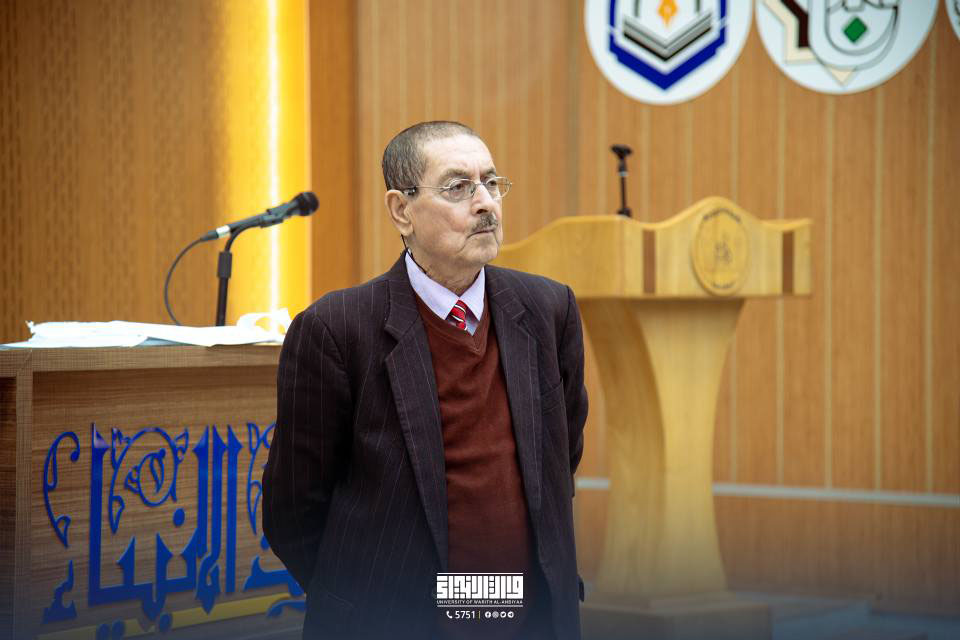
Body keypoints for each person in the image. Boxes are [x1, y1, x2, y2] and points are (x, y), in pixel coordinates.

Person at [262, 121, 588, 640]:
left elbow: (560, 456)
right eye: (458, 187)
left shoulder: (548, 308)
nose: (486, 203)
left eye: (491, 183)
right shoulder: (337, 329)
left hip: (528, 616)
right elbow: (293, 508)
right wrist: (362, 603)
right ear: (401, 210)